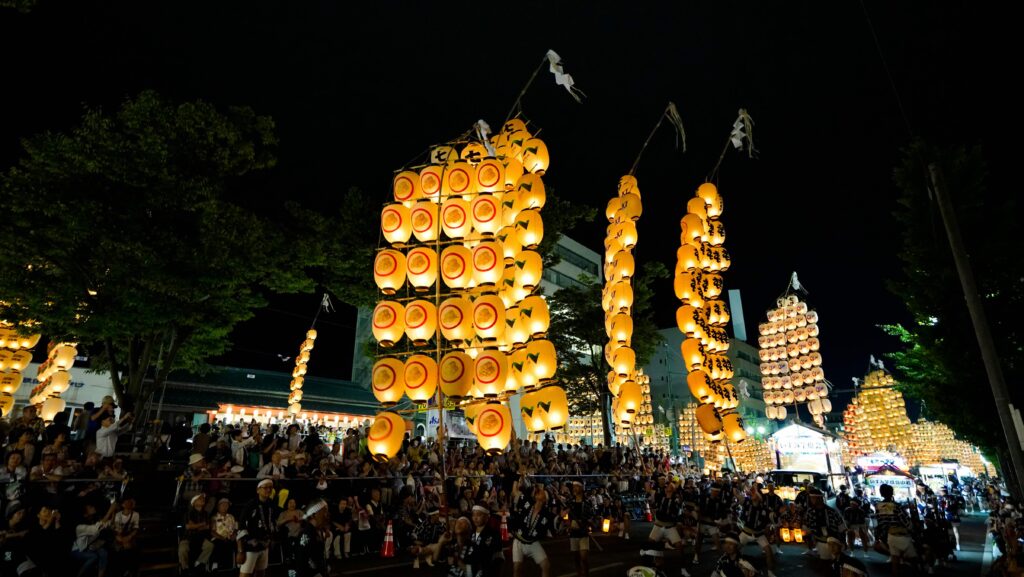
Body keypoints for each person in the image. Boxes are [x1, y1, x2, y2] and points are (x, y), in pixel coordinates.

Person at [510, 480, 554, 577]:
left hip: (532, 542)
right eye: (538, 491)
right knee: (517, 568)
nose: (539, 491)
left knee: (546, 565)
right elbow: (515, 492)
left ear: (545, 499)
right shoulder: (527, 503)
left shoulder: (546, 514)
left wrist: (561, 517)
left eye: (542, 492)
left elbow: (555, 521)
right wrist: (518, 478)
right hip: (518, 540)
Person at [642, 480, 685, 576]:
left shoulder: (676, 498)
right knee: (650, 544)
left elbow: (681, 502)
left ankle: (682, 569)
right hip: (658, 525)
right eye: (667, 486)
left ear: (673, 489)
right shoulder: (660, 496)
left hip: (670, 527)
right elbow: (648, 489)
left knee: (680, 547)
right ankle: (653, 566)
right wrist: (649, 480)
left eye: (670, 485)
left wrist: (678, 489)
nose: (667, 487)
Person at [873, 483, 917, 577]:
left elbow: (879, 522)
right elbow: (905, 521)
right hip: (902, 535)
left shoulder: (878, 506)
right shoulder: (896, 506)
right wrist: (911, 528)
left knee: (895, 560)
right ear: (892, 493)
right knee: (914, 560)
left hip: (890, 535)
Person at [237, 478, 277, 577]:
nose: (268, 490)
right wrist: (241, 551)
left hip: (264, 546)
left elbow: (271, 523)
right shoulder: (250, 505)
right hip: (251, 546)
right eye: (265, 487)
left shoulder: (271, 504)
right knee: (245, 575)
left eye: (270, 487)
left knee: (261, 573)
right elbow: (241, 526)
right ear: (258, 490)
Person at [72, 499, 118, 577]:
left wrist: (114, 511)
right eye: (90, 507)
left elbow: (107, 524)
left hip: (89, 547)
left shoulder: (93, 521)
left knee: (104, 553)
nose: (93, 507)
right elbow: (96, 528)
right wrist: (110, 510)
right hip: (78, 550)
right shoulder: (80, 527)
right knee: (93, 557)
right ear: (85, 514)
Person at [738, 484, 777, 577]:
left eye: (756, 495)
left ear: (760, 498)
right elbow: (737, 494)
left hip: (759, 534)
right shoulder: (747, 503)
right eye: (753, 494)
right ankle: (731, 567)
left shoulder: (764, 509)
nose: (754, 495)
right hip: (745, 533)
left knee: (769, 551)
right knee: (733, 549)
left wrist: (778, 513)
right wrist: (741, 486)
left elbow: (772, 516)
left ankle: (770, 572)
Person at [289, 499, 331, 577]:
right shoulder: (306, 534)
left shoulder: (319, 531)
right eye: (324, 511)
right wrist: (315, 573)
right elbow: (300, 561)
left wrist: (324, 567)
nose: (327, 514)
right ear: (314, 515)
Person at [564, 481, 594, 577]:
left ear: (581, 488)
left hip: (583, 531)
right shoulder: (570, 502)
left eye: (576, 486)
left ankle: (586, 574)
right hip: (573, 532)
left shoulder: (587, 502)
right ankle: (579, 573)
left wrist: (588, 525)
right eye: (573, 487)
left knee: (584, 557)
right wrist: (567, 521)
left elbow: (591, 516)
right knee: (576, 557)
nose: (574, 489)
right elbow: (566, 516)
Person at [180, 493, 215, 574]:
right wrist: (201, 525)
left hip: (200, 538)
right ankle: (185, 568)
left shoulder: (205, 513)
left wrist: (195, 526)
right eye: (200, 498)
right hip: (188, 537)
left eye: (203, 498)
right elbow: (189, 527)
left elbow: (207, 527)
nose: (203, 499)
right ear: (194, 502)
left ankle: (199, 563)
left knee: (210, 546)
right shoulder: (189, 513)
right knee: (182, 549)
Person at [468, 504, 503, 577]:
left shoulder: (494, 534)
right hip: (470, 570)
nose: (475, 518)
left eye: (478, 515)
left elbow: (498, 558)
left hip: (487, 572)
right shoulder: (470, 533)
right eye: (473, 515)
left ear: (487, 517)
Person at [112, 495, 140, 577]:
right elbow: (116, 530)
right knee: (120, 550)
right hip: (120, 537)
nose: (129, 503)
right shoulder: (118, 515)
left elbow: (136, 528)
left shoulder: (135, 514)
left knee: (132, 549)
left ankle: (130, 570)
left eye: (130, 502)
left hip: (130, 536)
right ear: (123, 505)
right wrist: (121, 539)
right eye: (126, 502)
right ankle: (122, 571)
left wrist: (129, 537)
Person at [210, 497, 238, 572]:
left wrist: (234, 535)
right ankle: (215, 565)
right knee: (218, 544)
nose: (225, 507)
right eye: (223, 505)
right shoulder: (214, 517)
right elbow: (212, 531)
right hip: (218, 538)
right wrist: (222, 538)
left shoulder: (231, 516)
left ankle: (237, 564)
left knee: (237, 543)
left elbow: (236, 528)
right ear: (218, 506)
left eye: (227, 505)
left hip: (230, 537)